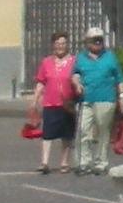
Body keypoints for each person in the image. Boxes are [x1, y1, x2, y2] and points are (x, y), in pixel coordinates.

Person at [27, 32, 82, 178]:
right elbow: (41, 82)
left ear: (67, 45)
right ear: (53, 45)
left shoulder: (74, 61)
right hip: (50, 103)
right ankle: (44, 162)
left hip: (68, 104)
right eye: (58, 44)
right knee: (47, 134)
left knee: (67, 134)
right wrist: (35, 99)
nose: (60, 47)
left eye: (63, 43)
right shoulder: (46, 62)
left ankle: (64, 162)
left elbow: (78, 78)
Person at [75, 21, 123, 171]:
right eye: (94, 39)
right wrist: (77, 84)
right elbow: (75, 73)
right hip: (86, 100)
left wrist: (122, 96)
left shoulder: (110, 57)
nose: (97, 42)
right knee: (83, 130)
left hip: (106, 99)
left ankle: (101, 162)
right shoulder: (81, 58)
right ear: (87, 42)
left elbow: (119, 78)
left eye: (100, 40)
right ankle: (84, 162)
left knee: (103, 132)